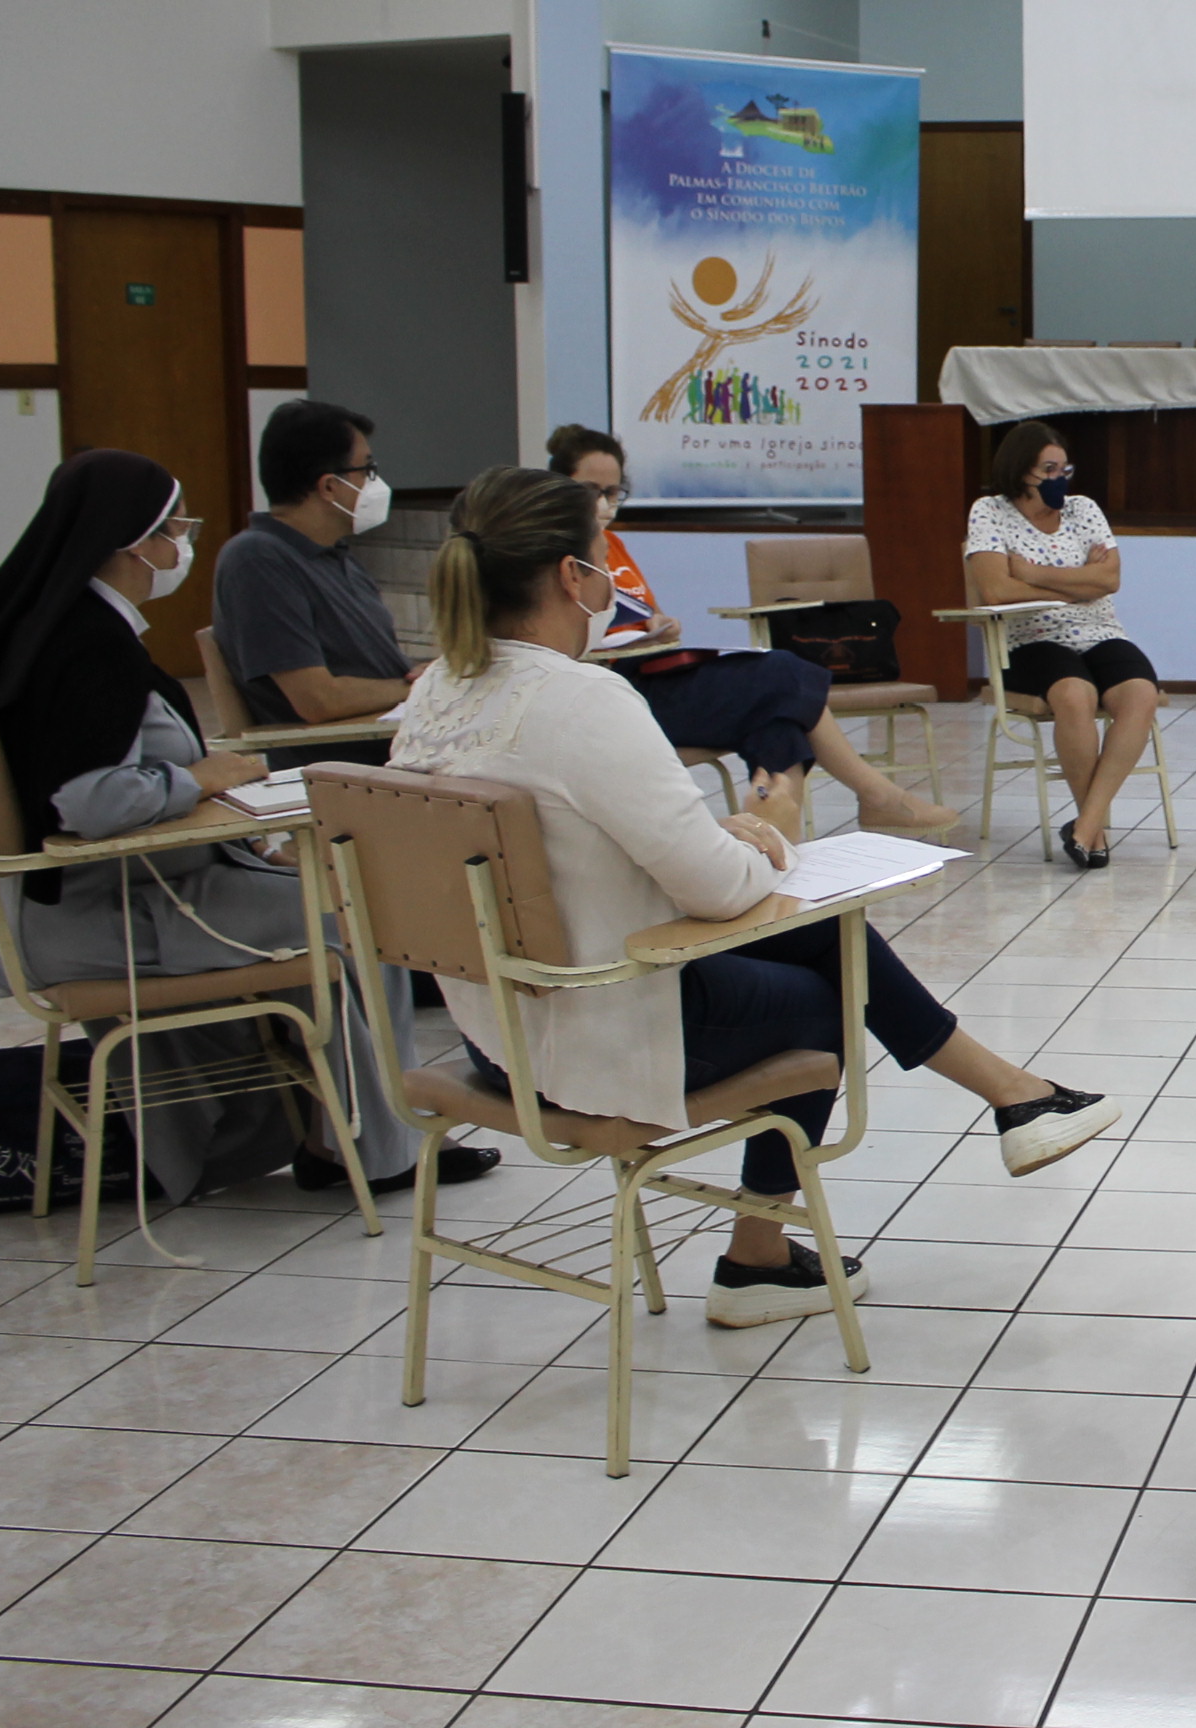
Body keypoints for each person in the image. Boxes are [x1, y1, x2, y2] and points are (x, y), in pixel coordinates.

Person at [388, 467, 1122, 1324]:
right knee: (825, 987)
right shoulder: (582, 701)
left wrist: (727, 839)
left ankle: (1011, 1098)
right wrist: (772, 821)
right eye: (601, 559)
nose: (610, 582)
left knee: (820, 937)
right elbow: (722, 889)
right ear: (569, 577)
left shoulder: (435, 693)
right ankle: (761, 1253)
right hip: (598, 1039)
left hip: (496, 1034)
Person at [0, 450, 483, 1203]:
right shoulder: (87, 648)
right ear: (134, 542)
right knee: (361, 917)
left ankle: (344, 1131)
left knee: (334, 901)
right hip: (114, 912)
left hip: (82, 901)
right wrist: (203, 779)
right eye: (177, 528)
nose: (184, 544)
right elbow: (89, 803)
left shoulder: (47, 625)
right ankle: (374, 1144)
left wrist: (238, 834)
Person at [545, 424, 953, 839]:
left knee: (777, 725)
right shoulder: (558, 554)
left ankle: (778, 843)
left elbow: (648, 614)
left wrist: (661, 625)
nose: (603, 502)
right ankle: (876, 797)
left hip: (655, 669)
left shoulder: (612, 544)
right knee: (783, 673)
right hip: (616, 691)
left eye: (613, 492)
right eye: (591, 490)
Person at [965, 422, 1165, 869]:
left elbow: (1109, 580)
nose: (1060, 478)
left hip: (1098, 630)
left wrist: (1032, 574)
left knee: (1141, 694)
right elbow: (996, 590)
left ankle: (1087, 825)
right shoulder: (990, 511)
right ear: (1020, 470)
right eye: (1049, 470)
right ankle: (1094, 831)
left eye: (1064, 469)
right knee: (1076, 695)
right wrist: (1077, 584)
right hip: (1029, 637)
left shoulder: (1083, 509)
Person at [211, 400, 417, 765]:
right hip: (341, 768)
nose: (375, 482)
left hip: (397, 748)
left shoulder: (336, 556)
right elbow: (317, 700)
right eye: (367, 470)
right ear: (329, 486)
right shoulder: (257, 559)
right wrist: (416, 687)